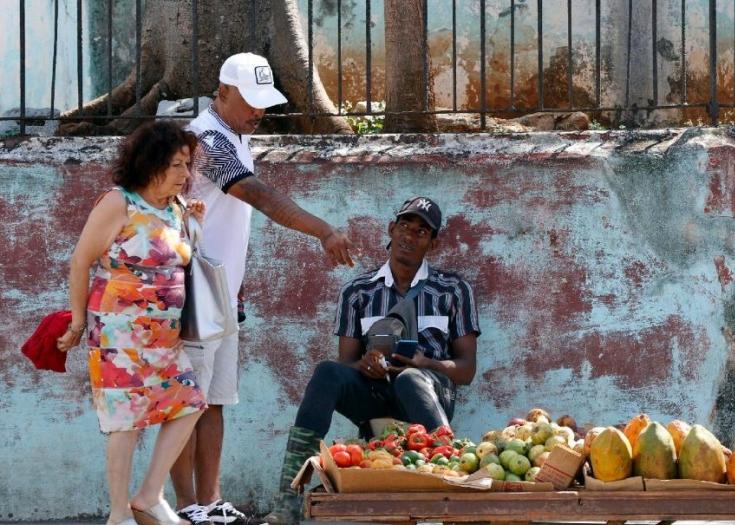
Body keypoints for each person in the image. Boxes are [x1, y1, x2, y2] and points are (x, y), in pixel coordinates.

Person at [169, 52, 355, 525]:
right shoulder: (208, 138)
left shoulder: (233, 132)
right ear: (223, 92)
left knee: (214, 400)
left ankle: (210, 503)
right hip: (191, 293)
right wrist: (323, 230)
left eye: (263, 103)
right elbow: (258, 196)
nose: (258, 112)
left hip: (221, 293)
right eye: (250, 102)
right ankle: (188, 506)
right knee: (185, 403)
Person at [262, 197, 480, 525]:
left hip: (428, 394)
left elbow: (466, 371)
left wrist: (426, 364)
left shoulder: (452, 290)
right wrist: (364, 365)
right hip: (375, 396)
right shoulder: (359, 292)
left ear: (432, 243)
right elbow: (344, 364)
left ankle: (448, 498)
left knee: (410, 378)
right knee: (326, 373)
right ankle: (287, 502)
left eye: (422, 231)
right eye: (405, 225)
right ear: (391, 229)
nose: (410, 235)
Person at [57, 121, 208, 525]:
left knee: (189, 404)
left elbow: (181, 260)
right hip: (118, 333)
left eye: (187, 165)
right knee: (125, 422)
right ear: (150, 164)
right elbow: (80, 261)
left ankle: (149, 495)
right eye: (176, 165)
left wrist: (196, 224)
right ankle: (119, 512)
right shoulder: (118, 203)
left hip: (165, 337)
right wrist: (76, 321)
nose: (185, 175)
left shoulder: (176, 208)